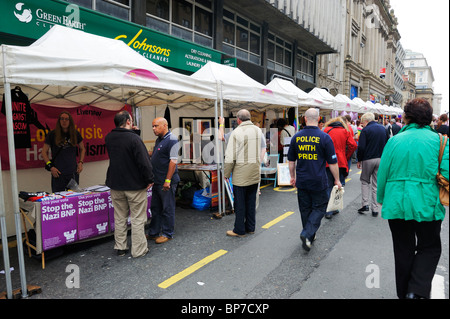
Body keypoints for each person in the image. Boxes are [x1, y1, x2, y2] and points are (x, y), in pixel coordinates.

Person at [377, 98, 449, 299]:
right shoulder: (441, 141)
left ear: (406, 118)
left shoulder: (394, 140)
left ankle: (405, 294)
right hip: (427, 202)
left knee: (402, 250)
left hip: (397, 202)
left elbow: (383, 173)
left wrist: (381, 197)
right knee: (429, 247)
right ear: (429, 119)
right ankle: (416, 290)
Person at [287, 108, 342, 251]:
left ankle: (309, 235)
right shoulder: (324, 137)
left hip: (303, 180)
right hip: (318, 179)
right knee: (320, 207)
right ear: (318, 120)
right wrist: (337, 179)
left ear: (305, 119)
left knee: (305, 208)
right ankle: (307, 234)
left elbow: (291, 161)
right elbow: (332, 162)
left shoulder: (296, 137)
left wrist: (292, 177)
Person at [105, 111, 154, 257]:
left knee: (120, 217)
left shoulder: (109, 137)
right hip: (134, 185)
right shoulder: (134, 139)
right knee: (138, 218)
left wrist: (135, 133)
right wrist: (150, 179)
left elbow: (123, 149)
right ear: (128, 121)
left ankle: (121, 247)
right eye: (131, 121)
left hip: (116, 184)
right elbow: (144, 162)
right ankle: (138, 250)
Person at [224, 109, 265, 237]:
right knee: (251, 202)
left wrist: (226, 174)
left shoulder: (236, 132)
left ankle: (239, 229)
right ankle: (250, 227)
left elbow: (230, 156)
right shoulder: (258, 130)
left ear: (238, 120)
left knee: (240, 203)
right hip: (254, 172)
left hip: (241, 174)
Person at [147, 117, 180, 244]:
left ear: (165, 125)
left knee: (167, 208)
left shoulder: (172, 140)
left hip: (166, 181)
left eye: (156, 126)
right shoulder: (159, 140)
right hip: (157, 180)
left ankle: (167, 233)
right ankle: (153, 232)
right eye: (153, 126)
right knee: (155, 208)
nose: (153, 129)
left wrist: (168, 180)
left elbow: (173, 161)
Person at [42, 111, 86, 193]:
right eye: (62, 119)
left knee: (74, 198)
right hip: (58, 174)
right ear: (59, 121)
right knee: (58, 200)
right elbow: (44, 152)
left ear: (70, 121)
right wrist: (51, 167)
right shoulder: (52, 134)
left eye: (66, 119)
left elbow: (82, 148)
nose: (64, 121)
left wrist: (80, 162)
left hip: (73, 172)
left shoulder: (75, 133)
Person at [323, 116, 357, 219]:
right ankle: (335, 207)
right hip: (341, 162)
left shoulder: (325, 130)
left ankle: (328, 210)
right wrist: (346, 156)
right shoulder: (344, 131)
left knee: (328, 185)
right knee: (338, 185)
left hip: (327, 162)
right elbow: (353, 145)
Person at [356, 112, 386, 217]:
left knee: (365, 181)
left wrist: (359, 160)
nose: (362, 124)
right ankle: (375, 208)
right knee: (376, 184)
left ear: (366, 121)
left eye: (362, 122)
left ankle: (365, 204)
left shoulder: (366, 130)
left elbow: (361, 147)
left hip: (368, 159)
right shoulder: (383, 129)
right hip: (381, 158)